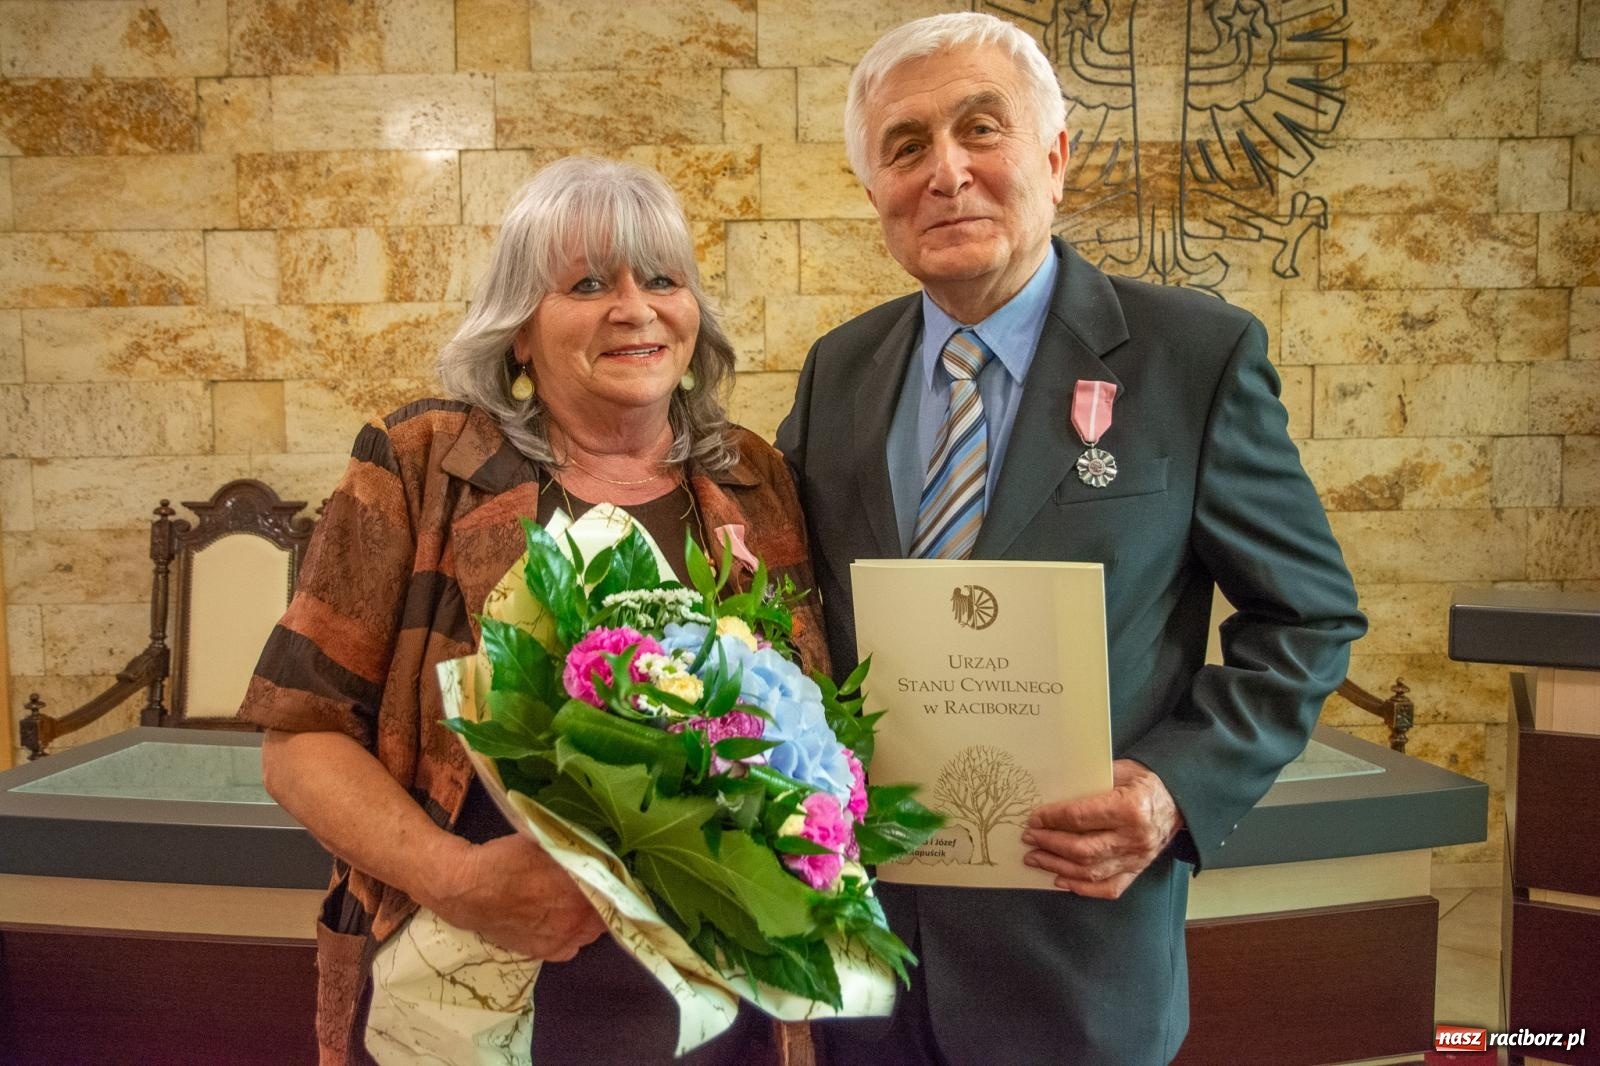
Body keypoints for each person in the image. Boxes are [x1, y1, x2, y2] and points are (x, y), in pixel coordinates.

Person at [775, 12, 1366, 1066]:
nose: (946, 172)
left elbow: (1307, 614)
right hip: (865, 964)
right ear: (873, 190)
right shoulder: (836, 373)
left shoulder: (1194, 357)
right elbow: (790, 609)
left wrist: (1168, 788)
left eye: (980, 128)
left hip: (1078, 962)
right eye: (905, 146)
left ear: (1055, 155)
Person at [242, 156, 828, 1066]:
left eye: (662, 279)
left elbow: (810, 726)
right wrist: (460, 879)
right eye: (589, 284)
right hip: (476, 991)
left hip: (722, 1008)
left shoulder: (752, 476)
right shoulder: (422, 462)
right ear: (519, 331)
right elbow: (298, 741)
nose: (635, 309)